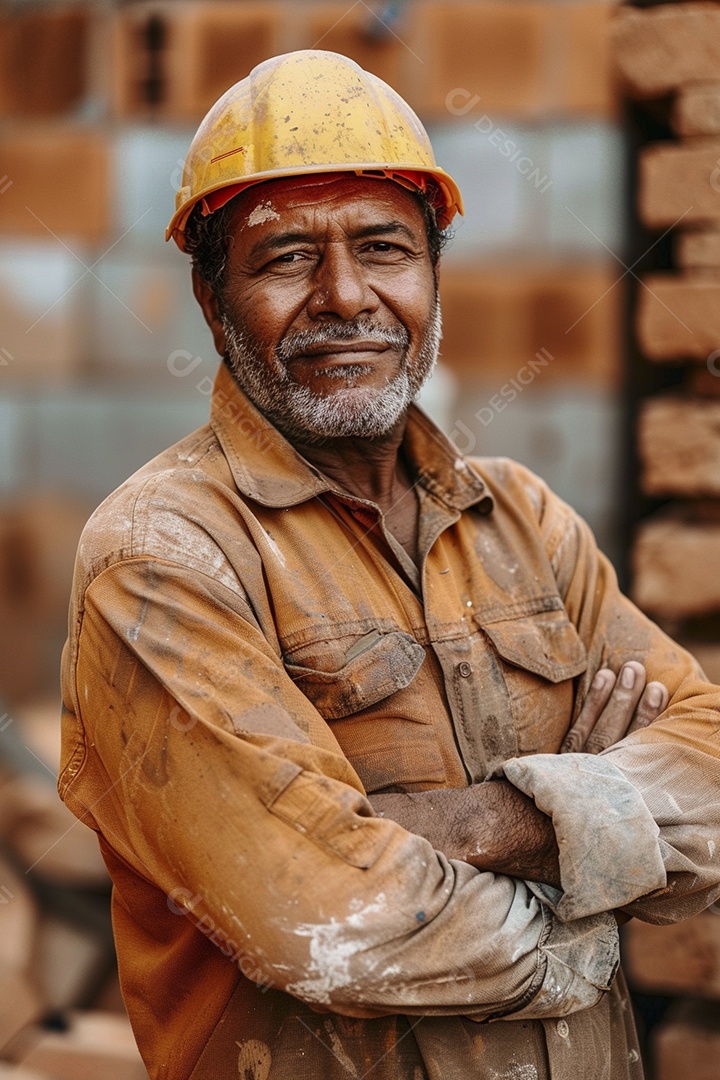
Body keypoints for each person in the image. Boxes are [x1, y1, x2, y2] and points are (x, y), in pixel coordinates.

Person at [59, 50, 720, 1080]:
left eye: (384, 247)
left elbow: (715, 774)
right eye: (285, 258)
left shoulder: (522, 520)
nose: (345, 295)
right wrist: (592, 882)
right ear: (209, 291)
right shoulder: (161, 558)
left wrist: (476, 823)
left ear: (434, 273)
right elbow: (320, 913)